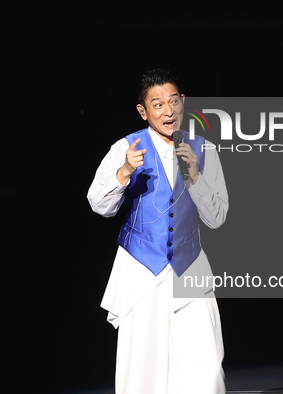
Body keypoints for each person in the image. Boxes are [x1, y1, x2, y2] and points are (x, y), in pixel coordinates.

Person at [87, 68, 229, 394]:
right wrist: (124, 171)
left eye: (173, 101)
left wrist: (194, 174)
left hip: (190, 268)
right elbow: (98, 204)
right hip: (141, 271)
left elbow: (217, 217)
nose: (168, 111)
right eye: (157, 104)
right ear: (143, 110)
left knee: (206, 369)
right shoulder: (126, 147)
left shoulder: (204, 150)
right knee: (142, 374)